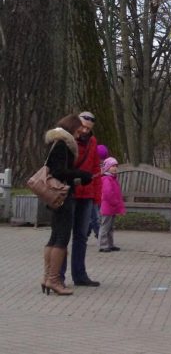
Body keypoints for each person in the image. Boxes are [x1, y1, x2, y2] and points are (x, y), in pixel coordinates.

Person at [40, 114, 94, 295]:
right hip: (62, 195)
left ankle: (47, 277)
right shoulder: (63, 144)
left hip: (55, 194)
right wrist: (81, 174)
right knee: (62, 239)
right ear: (72, 128)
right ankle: (54, 280)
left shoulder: (55, 142)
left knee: (54, 237)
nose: (80, 135)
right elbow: (60, 171)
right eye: (78, 131)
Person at [62, 111, 102, 287]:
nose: (85, 131)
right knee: (63, 236)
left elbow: (95, 168)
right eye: (83, 127)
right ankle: (58, 275)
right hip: (69, 192)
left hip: (86, 193)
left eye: (88, 128)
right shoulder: (68, 140)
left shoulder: (92, 142)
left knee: (81, 236)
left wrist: (96, 195)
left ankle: (79, 274)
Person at [98, 157, 125, 252]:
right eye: (112, 166)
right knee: (105, 226)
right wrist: (115, 201)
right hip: (107, 207)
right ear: (107, 167)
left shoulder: (113, 179)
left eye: (116, 166)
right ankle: (103, 245)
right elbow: (107, 193)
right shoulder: (106, 179)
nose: (115, 168)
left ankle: (110, 244)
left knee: (110, 227)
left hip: (112, 207)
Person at [90, 143, 110, 239]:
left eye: (103, 159)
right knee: (95, 216)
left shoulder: (106, 167)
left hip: (101, 195)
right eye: (100, 159)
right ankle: (99, 234)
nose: (101, 162)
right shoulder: (93, 166)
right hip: (93, 195)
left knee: (97, 215)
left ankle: (96, 232)